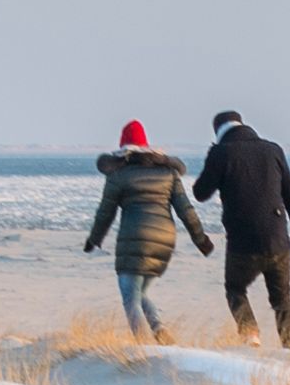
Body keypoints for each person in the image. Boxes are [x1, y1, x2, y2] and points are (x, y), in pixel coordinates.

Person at [191, 108, 290, 345]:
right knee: (282, 301)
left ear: (218, 131)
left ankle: (250, 333)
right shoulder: (273, 149)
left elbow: (200, 193)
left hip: (243, 242)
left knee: (235, 289)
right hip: (278, 239)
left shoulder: (221, 153)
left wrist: (212, 156)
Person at [81, 119, 209, 335]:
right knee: (139, 293)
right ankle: (159, 330)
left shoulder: (118, 175)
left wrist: (94, 240)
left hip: (135, 238)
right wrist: (201, 240)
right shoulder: (168, 173)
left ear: (122, 148)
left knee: (129, 296)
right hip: (164, 242)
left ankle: (144, 348)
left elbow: (106, 212)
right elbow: (185, 209)